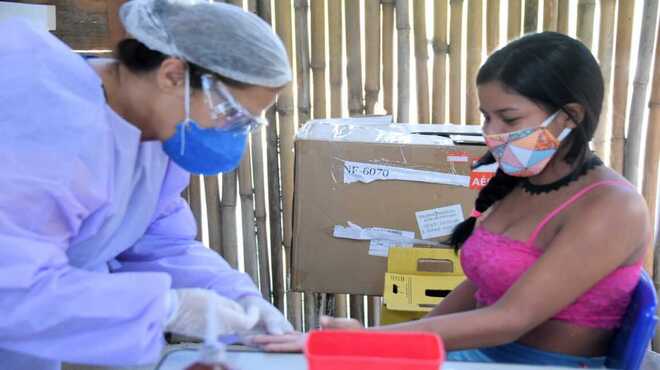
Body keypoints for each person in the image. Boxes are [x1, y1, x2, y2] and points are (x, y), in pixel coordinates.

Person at [252, 32, 652, 368]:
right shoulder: (521, 180)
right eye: (486, 116)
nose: (491, 133)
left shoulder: (611, 209)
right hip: (485, 357)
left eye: (508, 119)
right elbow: (479, 287)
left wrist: (374, 341)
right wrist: (403, 346)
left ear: (570, 116)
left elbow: (511, 319)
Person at [0, 0, 294, 369]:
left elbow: (158, 240)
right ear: (172, 75)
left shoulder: (154, 135)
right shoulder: (45, 123)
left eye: (247, 123)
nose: (233, 133)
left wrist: (235, 296)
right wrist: (168, 308)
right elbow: (12, 289)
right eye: (230, 113)